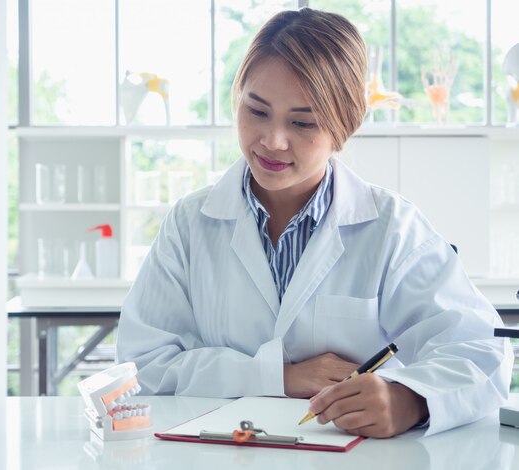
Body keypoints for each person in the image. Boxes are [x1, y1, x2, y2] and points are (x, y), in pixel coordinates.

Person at [116, 8, 513, 438]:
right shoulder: (190, 224)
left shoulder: (392, 228)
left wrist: (410, 400)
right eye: (257, 110)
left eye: (303, 122)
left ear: (346, 124)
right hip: (218, 455)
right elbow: (143, 368)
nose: (272, 140)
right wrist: (278, 377)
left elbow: (480, 352)